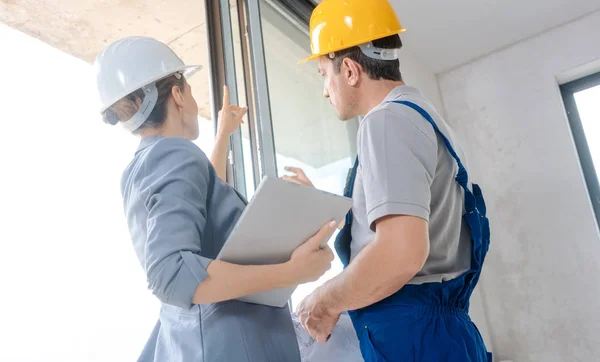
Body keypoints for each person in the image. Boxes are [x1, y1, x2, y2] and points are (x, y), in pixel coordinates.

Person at [94, 36, 336, 362]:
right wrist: (292, 272)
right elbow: (174, 273)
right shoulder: (174, 155)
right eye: (190, 90)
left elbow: (202, 202)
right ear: (178, 95)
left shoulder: (150, 163)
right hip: (230, 345)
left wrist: (223, 135)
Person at [285, 0, 493, 361]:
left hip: (411, 337)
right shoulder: (423, 118)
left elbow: (401, 253)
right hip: (441, 332)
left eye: (324, 75)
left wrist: (324, 300)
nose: (324, 91)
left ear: (349, 70)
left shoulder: (385, 121)